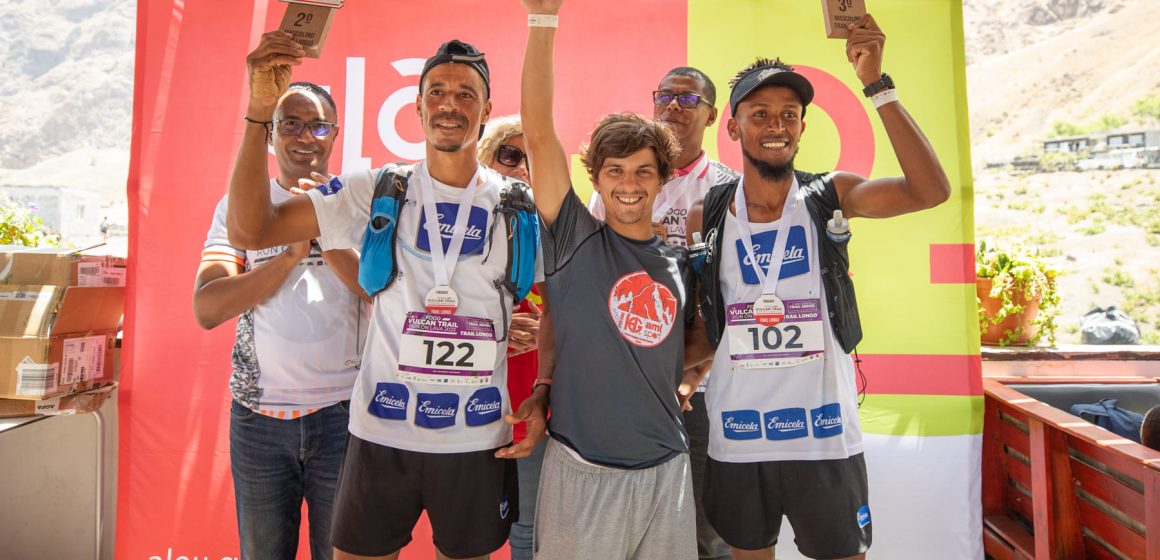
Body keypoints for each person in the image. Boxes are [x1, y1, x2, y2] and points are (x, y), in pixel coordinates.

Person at [226, 32, 544, 560]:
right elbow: (252, 230)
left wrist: (545, 386)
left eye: (466, 93)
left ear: (487, 108)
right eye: (437, 91)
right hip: (381, 432)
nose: (449, 103)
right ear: (417, 107)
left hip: (476, 440)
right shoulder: (374, 188)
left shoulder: (518, 202)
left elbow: (565, 299)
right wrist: (258, 113)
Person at [686, 14, 951, 560]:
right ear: (733, 128)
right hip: (738, 435)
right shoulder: (706, 214)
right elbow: (705, 323)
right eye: (759, 114)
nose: (776, 125)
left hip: (824, 433)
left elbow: (930, 190)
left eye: (789, 114)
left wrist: (877, 86)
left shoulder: (831, 194)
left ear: (804, 127)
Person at [513, 1, 699, 557]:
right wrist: (543, 20)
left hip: (668, 470)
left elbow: (699, 337)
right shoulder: (575, 238)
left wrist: (688, 376)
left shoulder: (679, 263)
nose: (628, 184)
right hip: (582, 471)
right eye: (614, 171)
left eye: (644, 171)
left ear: (663, 180)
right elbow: (540, 134)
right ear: (595, 177)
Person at [193, 80, 369, 560]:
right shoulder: (240, 211)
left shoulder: (360, 203)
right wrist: (287, 257)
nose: (303, 136)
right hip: (259, 421)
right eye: (289, 124)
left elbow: (381, 291)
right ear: (270, 136)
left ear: (335, 134)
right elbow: (208, 308)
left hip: (346, 417)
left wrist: (326, 232)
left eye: (317, 125)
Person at [589, 66, 737, 560]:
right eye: (665, 96)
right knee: (624, 531)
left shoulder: (729, 190)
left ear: (712, 115)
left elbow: (730, 300)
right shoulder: (619, 180)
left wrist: (692, 375)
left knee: (707, 530)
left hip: (701, 390)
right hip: (624, 384)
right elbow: (593, 276)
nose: (673, 105)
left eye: (688, 99)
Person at [477, 115, 546, 560]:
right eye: (511, 155)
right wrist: (498, 337)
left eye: (532, 157)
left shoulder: (556, 226)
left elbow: (583, 311)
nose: (522, 167)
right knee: (470, 534)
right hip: (468, 401)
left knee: (528, 530)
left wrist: (547, 331)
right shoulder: (460, 223)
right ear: (488, 158)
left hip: (532, 401)